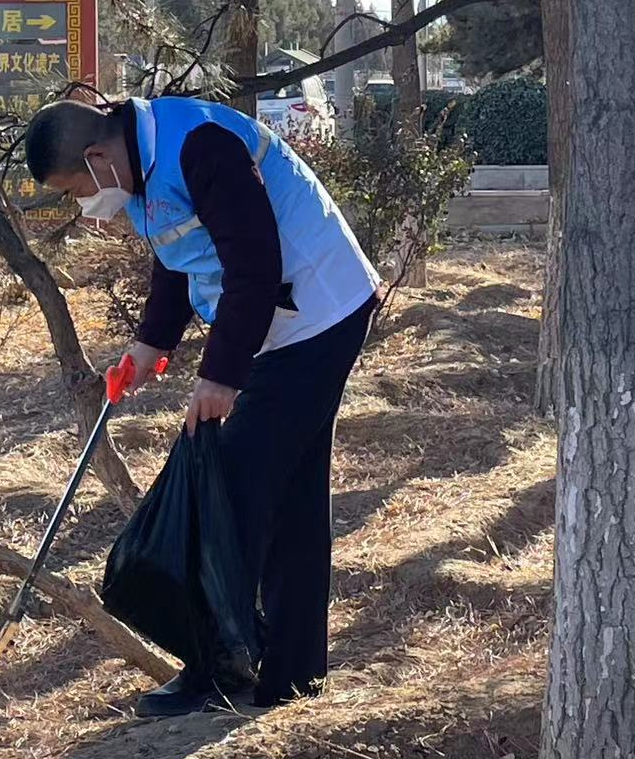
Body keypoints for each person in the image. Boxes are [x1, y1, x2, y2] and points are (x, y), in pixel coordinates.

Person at [24, 95, 380, 714]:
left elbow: (255, 264)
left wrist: (220, 376)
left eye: (75, 190)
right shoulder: (140, 170)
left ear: (98, 158)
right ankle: (292, 676)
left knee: (230, 493)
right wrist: (149, 345)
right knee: (288, 495)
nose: (83, 206)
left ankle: (216, 667)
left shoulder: (200, 145)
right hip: (283, 322)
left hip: (320, 313)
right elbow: (179, 257)